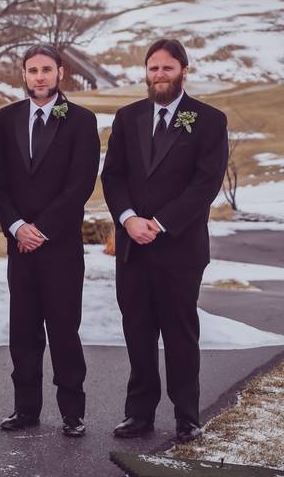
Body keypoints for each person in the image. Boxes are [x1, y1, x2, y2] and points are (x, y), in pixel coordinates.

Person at [102, 38, 228, 443]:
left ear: (183, 71)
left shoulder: (208, 120)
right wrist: (127, 220)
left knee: (179, 333)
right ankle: (138, 414)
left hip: (180, 248)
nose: (159, 75)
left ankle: (187, 416)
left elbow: (205, 183)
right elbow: (114, 176)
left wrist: (158, 222)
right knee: (137, 332)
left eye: (167, 68)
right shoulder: (127, 117)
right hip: (133, 246)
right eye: (153, 68)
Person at [0, 44, 100, 438]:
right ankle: (25, 410)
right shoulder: (4, 120)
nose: (39, 76)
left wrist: (42, 229)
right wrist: (17, 226)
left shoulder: (82, 122)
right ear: (23, 75)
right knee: (24, 331)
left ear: (60, 73)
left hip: (61, 247)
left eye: (46, 69)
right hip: (20, 246)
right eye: (32, 70)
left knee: (64, 331)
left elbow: (80, 185)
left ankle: (72, 411)